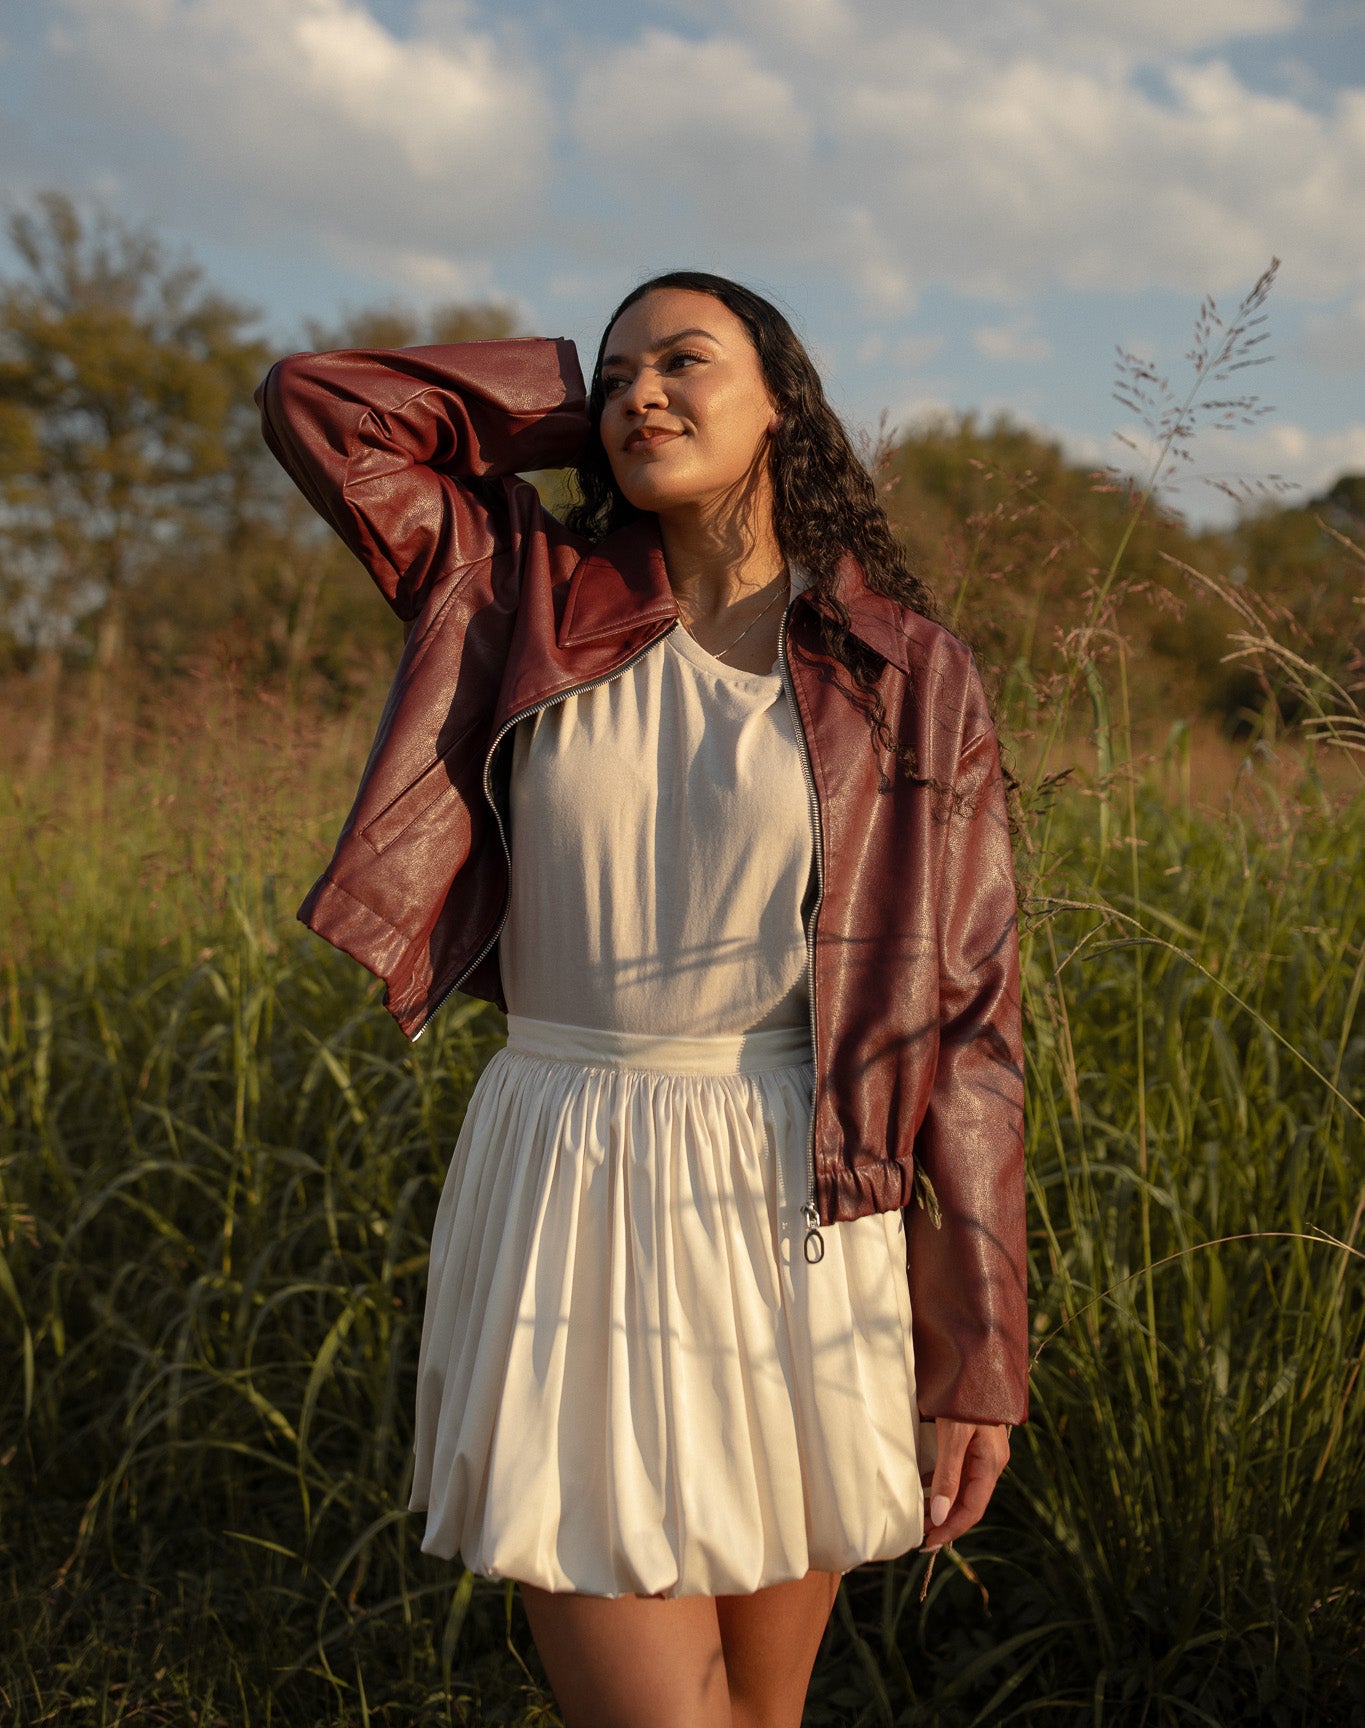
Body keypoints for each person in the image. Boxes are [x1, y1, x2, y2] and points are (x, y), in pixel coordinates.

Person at [255, 272, 1026, 1728]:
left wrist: (977, 1351)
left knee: (757, 1710)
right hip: (572, 1169)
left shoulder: (904, 670)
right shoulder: (514, 586)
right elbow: (321, 403)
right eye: (613, 379)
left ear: (785, 404)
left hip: (801, 1188)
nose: (639, 396)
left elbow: (970, 1018)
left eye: (684, 364)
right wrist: (575, 411)